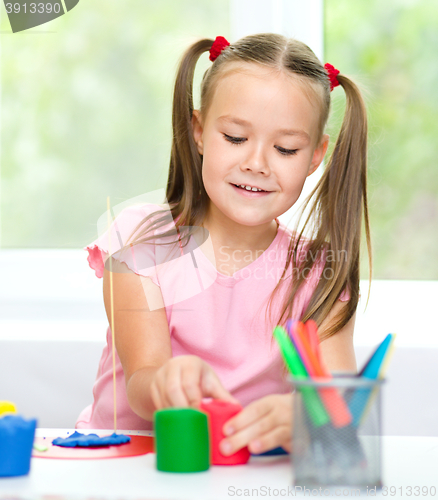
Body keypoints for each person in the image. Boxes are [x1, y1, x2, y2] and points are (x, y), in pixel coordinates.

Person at [76, 33, 370, 457]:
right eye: (235, 138)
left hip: (238, 474)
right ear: (199, 132)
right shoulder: (140, 244)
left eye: (286, 148)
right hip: (124, 465)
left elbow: (339, 404)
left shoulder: (319, 273)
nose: (256, 163)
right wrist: (165, 380)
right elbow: (143, 377)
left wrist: (308, 418)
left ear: (314, 156)